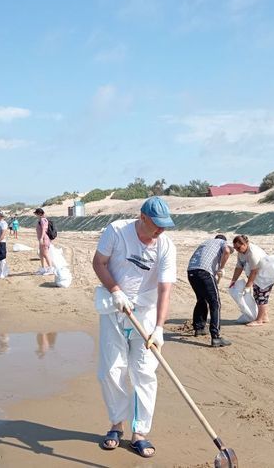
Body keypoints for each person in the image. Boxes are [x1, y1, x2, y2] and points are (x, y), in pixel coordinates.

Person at [92, 196, 177, 459]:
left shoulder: (165, 245)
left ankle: (139, 432)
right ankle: (116, 424)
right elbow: (99, 262)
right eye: (156, 224)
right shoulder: (117, 230)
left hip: (146, 313)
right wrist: (116, 290)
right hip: (115, 308)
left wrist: (160, 327)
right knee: (111, 370)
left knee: (144, 372)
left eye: (165, 224)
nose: (161, 229)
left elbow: (165, 288)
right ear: (142, 217)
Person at [187, 234, 234, 347]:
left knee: (201, 299)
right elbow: (227, 251)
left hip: (191, 271)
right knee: (215, 303)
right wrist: (221, 268)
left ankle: (199, 328)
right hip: (204, 272)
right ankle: (216, 337)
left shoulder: (206, 242)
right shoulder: (222, 243)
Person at [229, 235, 271, 326]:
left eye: (239, 247)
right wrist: (233, 281)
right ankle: (264, 317)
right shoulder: (241, 252)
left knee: (261, 297)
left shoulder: (252, 253)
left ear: (245, 244)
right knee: (257, 296)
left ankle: (259, 320)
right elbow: (239, 267)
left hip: (266, 276)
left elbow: (254, 271)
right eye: (235, 248)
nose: (237, 250)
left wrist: (248, 286)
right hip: (257, 276)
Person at [34, 208, 54, 275]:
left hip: (44, 239)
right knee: (41, 254)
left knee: (45, 254)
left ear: (39, 213)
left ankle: (50, 269)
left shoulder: (43, 220)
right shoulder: (40, 220)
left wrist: (41, 238)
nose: (35, 215)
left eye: (36, 213)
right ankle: (43, 268)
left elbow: (44, 230)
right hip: (42, 239)